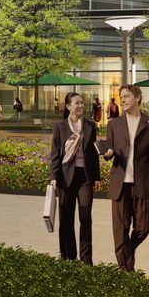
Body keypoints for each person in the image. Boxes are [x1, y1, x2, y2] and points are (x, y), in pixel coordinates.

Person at [102, 83, 149, 273]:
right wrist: (108, 154)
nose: (122, 100)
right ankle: (126, 272)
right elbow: (110, 149)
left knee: (144, 227)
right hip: (120, 184)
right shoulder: (114, 124)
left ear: (137, 98)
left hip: (141, 183)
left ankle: (126, 254)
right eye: (121, 97)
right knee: (120, 230)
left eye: (126, 96)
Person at [48, 92, 100, 264]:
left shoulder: (90, 126)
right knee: (66, 218)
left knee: (85, 217)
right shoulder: (60, 127)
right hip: (65, 177)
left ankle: (86, 260)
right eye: (76, 103)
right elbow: (55, 154)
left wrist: (97, 177)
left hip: (85, 177)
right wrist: (54, 176)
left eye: (82, 103)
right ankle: (67, 257)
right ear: (68, 106)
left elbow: (93, 154)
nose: (80, 106)